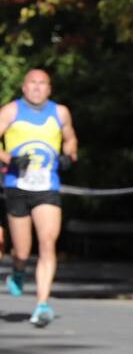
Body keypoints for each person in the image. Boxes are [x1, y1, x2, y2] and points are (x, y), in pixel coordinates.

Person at [1, 69, 78, 327]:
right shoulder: (10, 111)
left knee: (47, 242)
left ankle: (42, 304)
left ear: (49, 88)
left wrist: (69, 154)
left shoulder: (60, 113)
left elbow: (70, 139)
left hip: (47, 187)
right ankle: (19, 270)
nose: (36, 88)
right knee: (22, 250)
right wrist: (8, 158)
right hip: (17, 186)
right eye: (32, 83)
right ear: (23, 87)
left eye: (42, 83)